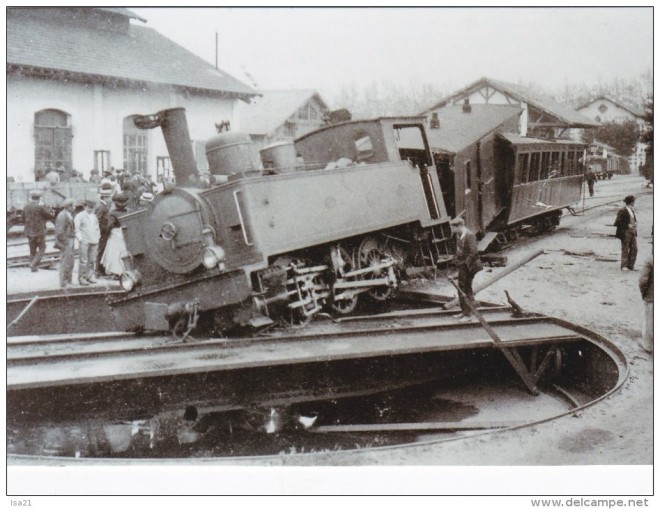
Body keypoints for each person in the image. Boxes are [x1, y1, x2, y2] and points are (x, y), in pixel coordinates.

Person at [450, 217, 483, 322]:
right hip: (463, 266)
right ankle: (464, 311)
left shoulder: (470, 235)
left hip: (470, 267)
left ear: (460, 226)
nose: (453, 231)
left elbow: (474, 252)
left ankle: (468, 315)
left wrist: (465, 264)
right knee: (462, 287)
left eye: (454, 228)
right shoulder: (461, 235)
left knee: (466, 289)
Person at [22, 191, 53, 272]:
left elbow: (22, 218)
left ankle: (34, 268)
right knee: (42, 247)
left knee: (32, 249)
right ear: (39, 199)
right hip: (39, 232)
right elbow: (49, 216)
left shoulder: (26, 206)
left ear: (32, 198)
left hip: (29, 232)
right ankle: (33, 263)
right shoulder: (40, 207)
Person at [101, 193, 130, 278]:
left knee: (114, 254)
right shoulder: (128, 211)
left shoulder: (112, 213)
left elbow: (109, 225)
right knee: (124, 251)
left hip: (115, 235)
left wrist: (105, 232)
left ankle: (117, 272)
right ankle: (125, 270)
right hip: (125, 233)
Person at [74, 199, 101, 285]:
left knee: (92, 260)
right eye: (89, 207)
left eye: (92, 208)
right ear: (85, 206)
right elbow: (76, 229)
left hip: (94, 241)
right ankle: (82, 277)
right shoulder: (80, 216)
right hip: (85, 241)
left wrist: (98, 236)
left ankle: (90, 276)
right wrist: (81, 239)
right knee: (83, 260)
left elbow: (97, 227)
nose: (91, 209)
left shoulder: (94, 216)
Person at [54, 198, 76, 288]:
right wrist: (66, 242)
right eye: (73, 206)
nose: (75, 207)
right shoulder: (63, 216)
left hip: (69, 241)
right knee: (65, 263)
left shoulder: (67, 214)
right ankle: (64, 282)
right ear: (69, 206)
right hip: (66, 242)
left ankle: (69, 281)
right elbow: (60, 232)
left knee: (70, 262)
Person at [614, 195, 638, 271]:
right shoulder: (622, 210)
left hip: (632, 232)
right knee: (625, 248)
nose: (634, 202)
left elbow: (633, 219)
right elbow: (617, 222)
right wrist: (627, 225)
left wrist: (636, 222)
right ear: (631, 202)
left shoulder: (632, 210)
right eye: (633, 201)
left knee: (634, 248)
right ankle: (624, 265)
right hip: (625, 232)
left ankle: (631, 265)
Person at [95, 185, 114, 276]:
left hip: (103, 232)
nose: (110, 199)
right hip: (102, 233)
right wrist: (100, 231)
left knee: (102, 250)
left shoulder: (103, 205)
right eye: (109, 197)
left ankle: (101, 269)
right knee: (100, 250)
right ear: (105, 197)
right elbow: (97, 220)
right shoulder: (101, 206)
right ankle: (98, 270)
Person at [639, 257, 653, 353]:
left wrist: (644, 294)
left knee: (649, 323)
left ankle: (647, 346)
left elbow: (643, 281)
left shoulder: (650, 261)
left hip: (652, 298)